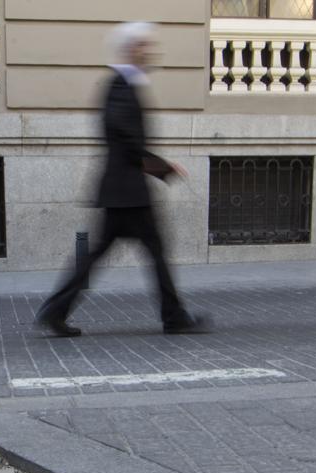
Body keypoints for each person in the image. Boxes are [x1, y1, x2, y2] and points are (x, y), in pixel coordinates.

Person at [35, 21, 209, 338]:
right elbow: (123, 136)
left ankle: (55, 310)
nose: (150, 50)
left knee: (110, 254)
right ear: (131, 49)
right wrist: (163, 167)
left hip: (125, 191)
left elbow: (126, 137)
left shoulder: (126, 84)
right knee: (146, 252)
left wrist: (158, 166)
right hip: (126, 191)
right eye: (144, 45)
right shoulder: (119, 85)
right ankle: (173, 317)